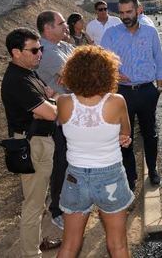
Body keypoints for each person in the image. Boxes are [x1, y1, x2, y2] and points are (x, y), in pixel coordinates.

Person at [56, 45, 133, 258]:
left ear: (72, 72)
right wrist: (121, 137)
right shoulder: (116, 102)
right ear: (107, 73)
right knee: (118, 245)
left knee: (69, 245)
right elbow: (125, 132)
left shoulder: (63, 103)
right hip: (110, 175)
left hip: (75, 177)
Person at [0, 28, 61, 257]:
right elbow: (50, 111)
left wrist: (48, 106)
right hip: (33, 144)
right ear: (16, 52)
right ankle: (31, 252)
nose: (40, 54)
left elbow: (48, 98)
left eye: (41, 49)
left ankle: (39, 241)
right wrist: (49, 107)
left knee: (39, 199)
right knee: (33, 204)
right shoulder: (17, 80)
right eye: (34, 50)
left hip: (40, 140)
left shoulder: (28, 73)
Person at [101, 0, 162, 189]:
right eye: (121, 13)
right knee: (124, 136)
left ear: (138, 10)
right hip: (122, 93)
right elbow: (101, 62)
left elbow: (159, 59)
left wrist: (159, 88)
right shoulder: (111, 34)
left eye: (129, 11)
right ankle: (130, 176)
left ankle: (152, 170)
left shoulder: (150, 32)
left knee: (150, 133)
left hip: (147, 91)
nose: (125, 16)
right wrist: (113, 73)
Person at [35, 11, 75, 231]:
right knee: (60, 164)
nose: (65, 27)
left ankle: (67, 203)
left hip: (68, 114)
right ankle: (57, 210)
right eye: (60, 24)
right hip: (57, 119)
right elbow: (77, 79)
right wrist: (75, 74)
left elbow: (83, 64)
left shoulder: (62, 47)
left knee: (68, 161)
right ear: (48, 28)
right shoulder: (47, 52)